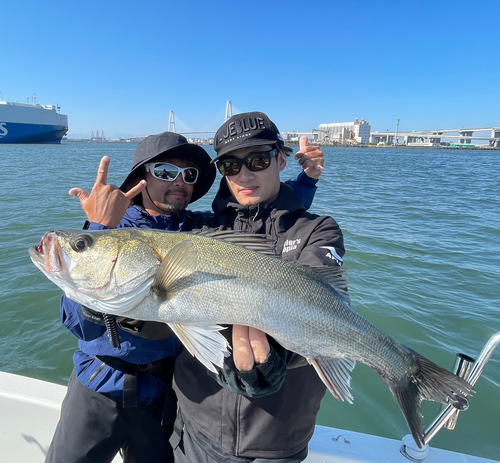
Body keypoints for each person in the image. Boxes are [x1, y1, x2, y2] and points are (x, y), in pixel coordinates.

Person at [46, 131, 324, 463]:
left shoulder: (199, 230)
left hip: (164, 396)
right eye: (165, 172)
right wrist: (98, 225)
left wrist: (306, 179)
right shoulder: (112, 231)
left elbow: (261, 213)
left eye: (189, 175)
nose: (179, 182)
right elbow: (77, 323)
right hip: (100, 386)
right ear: (142, 177)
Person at [170, 112, 345, 463]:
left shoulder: (317, 231)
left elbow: (325, 309)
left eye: (257, 160)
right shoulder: (198, 232)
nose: (244, 174)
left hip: (277, 440)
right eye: (231, 166)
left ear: (281, 160)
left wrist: (278, 359)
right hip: (195, 425)